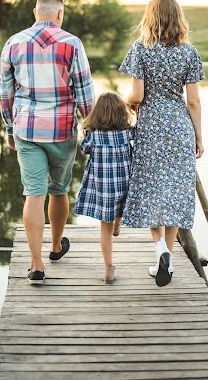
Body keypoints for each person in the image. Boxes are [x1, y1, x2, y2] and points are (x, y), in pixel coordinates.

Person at [0, 0, 94, 284]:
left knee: (33, 193)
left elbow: (5, 94)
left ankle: (36, 265)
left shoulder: (14, 43)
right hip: (62, 129)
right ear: (60, 14)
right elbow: (85, 93)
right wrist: (89, 125)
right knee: (59, 189)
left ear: (35, 12)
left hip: (27, 129)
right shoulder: (72, 44)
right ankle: (55, 246)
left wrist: (9, 128)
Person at [119, 0, 205, 287]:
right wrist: (198, 136)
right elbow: (192, 101)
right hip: (179, 129)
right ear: (178, 18)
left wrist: (127, 102)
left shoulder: (141, 50)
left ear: (150, 18)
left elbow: (137, 96)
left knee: (149, 190)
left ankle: (160, 251)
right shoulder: (189, 52)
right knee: (176, 194)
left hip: (151, 130)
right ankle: (165, 255)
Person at [73, 92, 134, 283]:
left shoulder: (94, 136)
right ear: (121, 113)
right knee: (120, 207)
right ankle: (118, 222)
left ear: (97, 113)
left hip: (103, 188)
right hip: (124, 184)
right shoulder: (127, 133)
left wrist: (86, 134)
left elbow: (84, 149)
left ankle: (109, 267)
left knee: (104, 228)